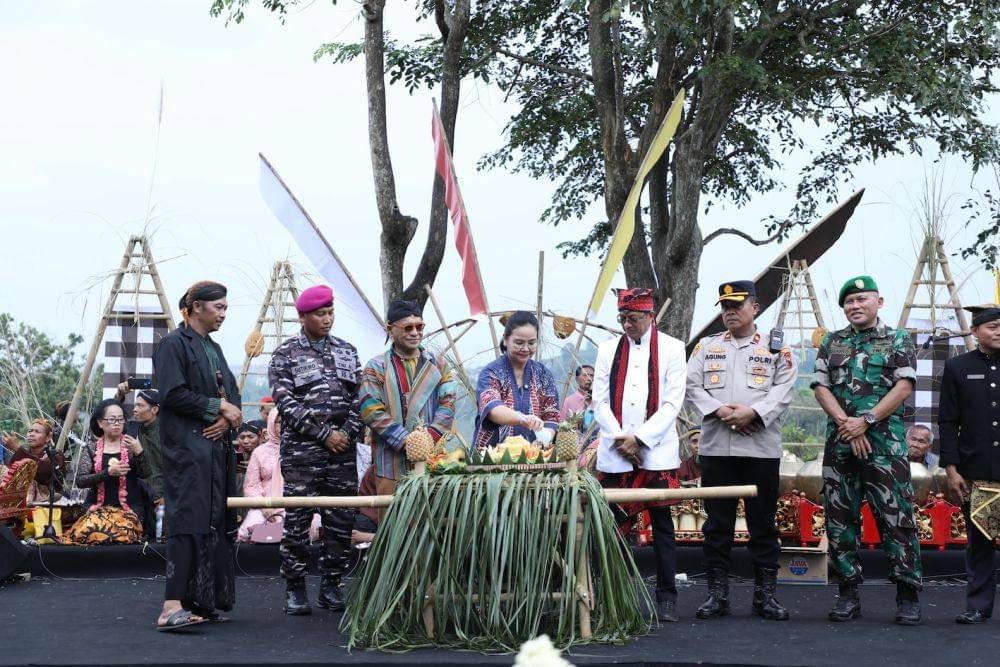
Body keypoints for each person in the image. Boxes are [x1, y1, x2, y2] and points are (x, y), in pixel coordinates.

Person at [812, 275, 922, 625]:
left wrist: (867, 421)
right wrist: (848, 423)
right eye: (849, 302)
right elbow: (820, 386)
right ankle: (847, 593)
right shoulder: (832, 342)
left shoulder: (897, 339)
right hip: (841, 443)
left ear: (879, 302)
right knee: (840, 520)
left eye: (862, 299)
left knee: (896, 518)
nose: (855, 306)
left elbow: (904, 385)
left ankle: (907, 595)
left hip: (884, 446)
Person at [686, 280, 798, 621]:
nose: (729, 311)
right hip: (718, 448)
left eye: (736, 305)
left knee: (762, 523)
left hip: (759, 449)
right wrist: (723, 412)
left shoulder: (778, 349)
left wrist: (754, 413)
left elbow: (784, 390)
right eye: (724, 306)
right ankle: (717, 596)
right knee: (716, 525)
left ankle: (765, 598)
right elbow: (692, 385)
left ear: (755, 308)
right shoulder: (706, 347)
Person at [591, 288, 687, 622]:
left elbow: (673, 403)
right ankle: (612, 597)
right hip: (616, 452)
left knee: (662, 527)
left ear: (649, 316)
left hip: (657, 452)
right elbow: (599, 401)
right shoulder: (606, 350)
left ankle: (667, 599)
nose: (627, 325)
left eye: (632, 318)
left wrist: (641, 440)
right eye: (622, 319)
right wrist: (621, 439)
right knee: (614, 525)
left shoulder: (674, 349)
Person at [152, 280, 242, 631]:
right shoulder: (172, 344)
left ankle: (200, 600)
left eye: (225, 308)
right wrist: (217, 406)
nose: (223, 314)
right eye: (218, 307)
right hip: (186, 450)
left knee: (213, 521)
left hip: (213, 451)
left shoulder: (214, 348)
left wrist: (224, 420)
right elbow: (172, 393)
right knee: (187, 520)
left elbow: (232, 391)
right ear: (195, 307)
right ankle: (170, 606)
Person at [269, 284, 363, 615]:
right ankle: (295, 588)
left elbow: (359, 399)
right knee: (297, 522)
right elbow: (286, 403)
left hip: (342, 453)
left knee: (340, 522)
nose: (327, 319)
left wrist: (347, 433)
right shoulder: (285, 354)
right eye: (320, 314)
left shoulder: (347, 350)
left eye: (330, 313)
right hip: (302, 455)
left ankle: (331, 586)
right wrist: (324, 434)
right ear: (303, 316)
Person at [938, 303, 1000, 624]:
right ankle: (978, 606)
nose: (999, 331)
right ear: (975, 332)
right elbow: (947, 422)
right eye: (992, 326)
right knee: (981, 544)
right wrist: (951, 468)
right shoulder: (957, 368)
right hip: (978, 474)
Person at [360, 299, 456, 499]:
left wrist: (428, 439)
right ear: (390, 329)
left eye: (419, 326)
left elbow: (448, 404)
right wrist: (407, 442)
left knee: (429, 521)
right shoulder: (376, 367)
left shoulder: (439, 365)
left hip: (432, 458)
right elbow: (371, 410)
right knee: (392, 523)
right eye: (408, 327)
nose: (415, 332)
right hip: (390, 461)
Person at [65, 399, 153, 544]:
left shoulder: (132, 445)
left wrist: (139, 452)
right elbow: (80, 481)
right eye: (112, 419)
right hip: (98, 510)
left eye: (120, 419)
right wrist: (107, 473)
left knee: (119, 535)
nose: (117, 423)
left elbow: (146, 474)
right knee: (88, 533)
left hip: (128, 511)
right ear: (100, 423)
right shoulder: (91, 448)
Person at [474, 311, 561, 447]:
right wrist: (522, 418)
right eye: (519, 342)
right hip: (491, 461)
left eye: (531, 343)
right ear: (505, 339)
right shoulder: (491, 373)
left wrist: (544, 438)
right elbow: (492, 409)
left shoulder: (543, 374)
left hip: (535, 459)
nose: (526, 348)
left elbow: (551, 415)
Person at [113, 385, 166, 505]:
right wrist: (119, 397)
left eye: (140, 405)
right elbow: (110, 420)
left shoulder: (167, 433)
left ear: (154, 410)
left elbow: (177, 469)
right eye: (135, 405)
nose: (135, 409)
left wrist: (168, 498)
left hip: (160, 499)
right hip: (136, 497)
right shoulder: (132, 428)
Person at [238, 410, 284, 542]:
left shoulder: (302, 450)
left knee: (311, 529)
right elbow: (251, 485)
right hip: (264, 506)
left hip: (296, 506)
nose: (283, 426)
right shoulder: (260, 452)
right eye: (279, 422)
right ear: (271, 424)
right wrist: (265, 506)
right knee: (250, 530)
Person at [5, 419, 66, 504]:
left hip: (48, 507)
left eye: (37, 432)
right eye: (30, 431)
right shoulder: (22, 455)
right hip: (22, 505)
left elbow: (44, 474)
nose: (32, 434)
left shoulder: (55, 455)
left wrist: (17, 448)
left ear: (48, 437)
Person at [560, 365, 595, 432]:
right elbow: (562, 427)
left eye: (591, 376)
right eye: (585, 375)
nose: (589, 378)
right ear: (577, 379)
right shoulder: (568, 401)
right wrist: (585, 407)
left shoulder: (598, 401)